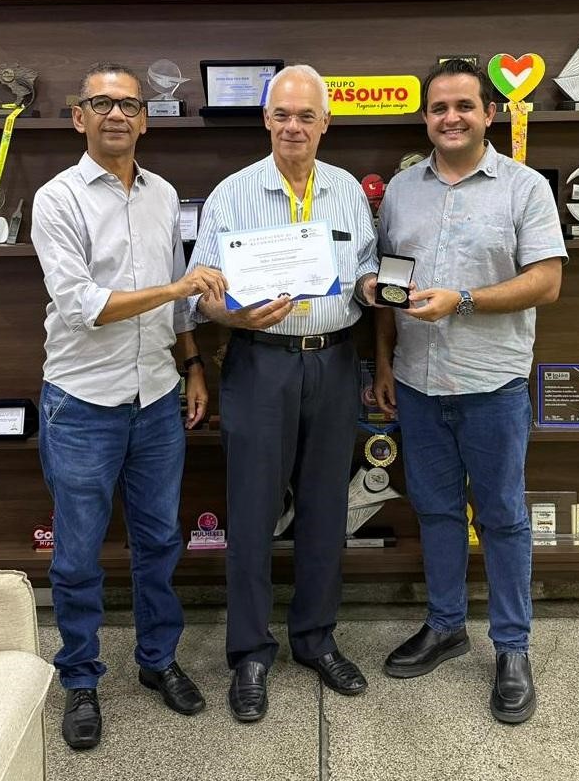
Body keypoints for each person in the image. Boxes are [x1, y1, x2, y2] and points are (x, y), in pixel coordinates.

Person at [31, 62, 227, 750]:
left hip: (157, 397)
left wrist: (192, 364)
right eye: (101, 103)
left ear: (145, 119)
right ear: (78, 117)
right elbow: (82, 306)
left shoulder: (162, 193)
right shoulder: (56, 199)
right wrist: (178, 290)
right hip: (82, 402)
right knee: (78, 554)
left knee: (159, 541)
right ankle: (80, 678)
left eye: (128, 104)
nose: (116, 114)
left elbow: (174, 304)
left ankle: (157, 660)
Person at [374, 58, 567, 724]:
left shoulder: (524, 188)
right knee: (434, 512)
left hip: (492, 384)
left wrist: (462, 300)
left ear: (489, 113)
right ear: (425, 118)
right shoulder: (401, 191)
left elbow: (546, 282)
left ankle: (512, 648)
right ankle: (445, 625)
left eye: (463, 106)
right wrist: (383, 363)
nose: (450, 117)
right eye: (438, 108)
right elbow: (390, 284)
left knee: (503, 518)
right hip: (416, 384)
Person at [187, 64, 379, 723]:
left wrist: (371, 286)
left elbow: (365, 268)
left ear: (326, 123)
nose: (293, 127)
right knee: (252, 511)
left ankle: (315, 639)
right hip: (259, 363)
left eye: (305, 116)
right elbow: (200, 294)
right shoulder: (232, 194)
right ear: (265, 120)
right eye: (282, 115)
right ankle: (248, 652)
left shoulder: (346, 190)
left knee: (325, 507)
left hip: (333, 361)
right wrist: (232, 314)